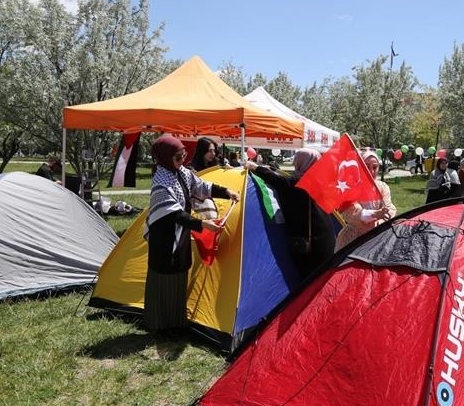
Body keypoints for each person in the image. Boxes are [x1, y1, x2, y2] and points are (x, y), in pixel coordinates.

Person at [144, 135, 240, 332]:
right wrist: (203, 224)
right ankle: (160, 325)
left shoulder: (181, 171)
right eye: (177, 157)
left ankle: (176, 322)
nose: (182, 161)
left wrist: (226, 191)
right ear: (164, 157)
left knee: (179, 275)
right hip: (164, 237)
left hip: (179, 234)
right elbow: (175, 214)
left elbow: (200, 186)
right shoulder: (161, 182)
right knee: (164, 278)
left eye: (183, 155)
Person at [245, 149, 336, 279]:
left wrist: (254, 167)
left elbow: (276, 180)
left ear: (299, 162)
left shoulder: (298, 182)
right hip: (327, 240)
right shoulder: (319, 181)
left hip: (311, 246)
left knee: (308, 282)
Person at [334, 151, 397, 251]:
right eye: (366, 167)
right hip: (353, 239)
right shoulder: (349, 187)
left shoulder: (382, 187)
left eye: (375, 167)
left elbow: (389, 208)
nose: (371, 171)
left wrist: (381, 222)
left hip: (377, 235)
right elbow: (350, 213)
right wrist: (374, 214)